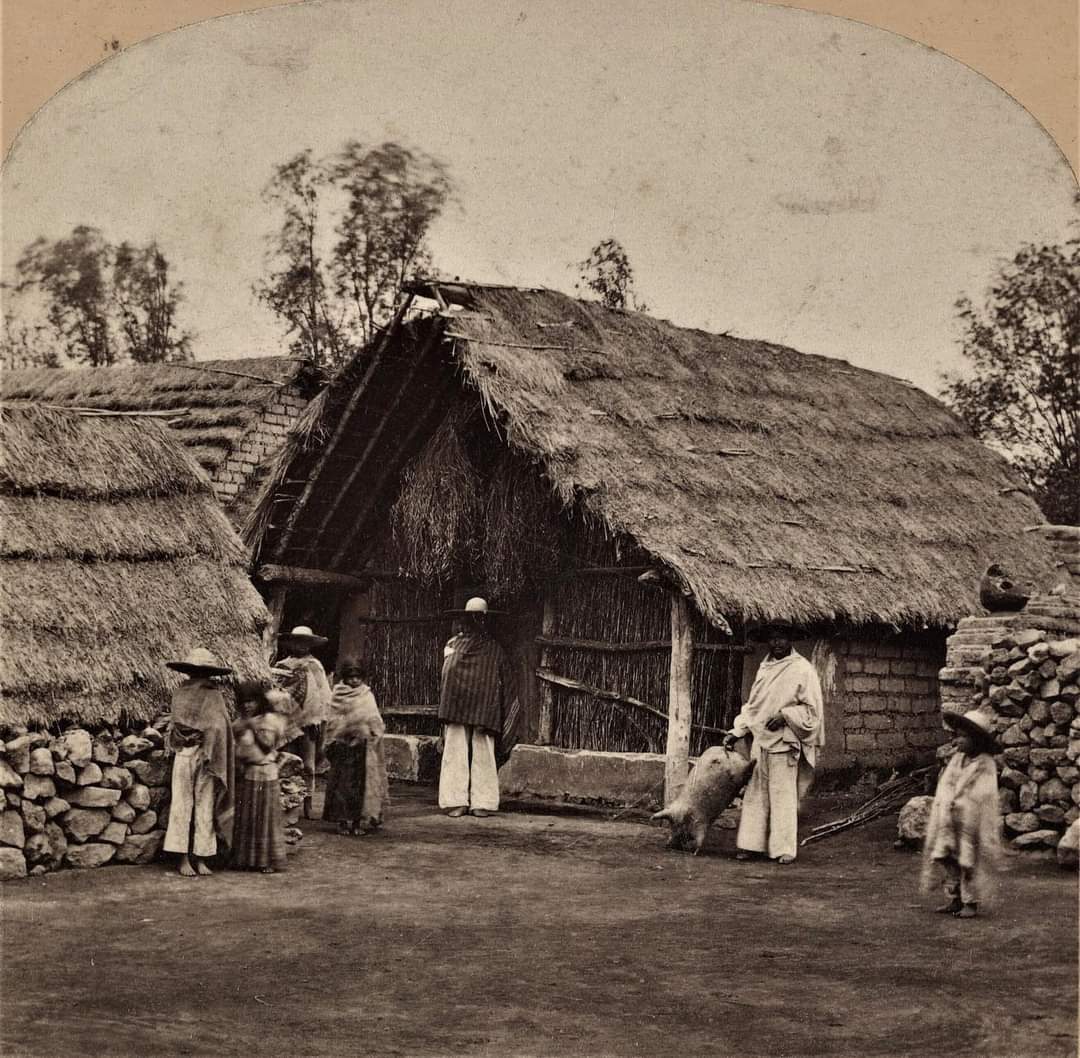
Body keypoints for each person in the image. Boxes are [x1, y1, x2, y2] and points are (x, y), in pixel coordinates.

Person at [722, 623, 824, 864]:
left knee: (783, 795)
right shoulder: (765, 668)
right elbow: (754, 706)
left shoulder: (802, 669)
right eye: (773, 639)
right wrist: (737, 731)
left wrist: (786, 716)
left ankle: (783, 849)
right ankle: (751, 845)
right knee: (755, 794)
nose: (777, 643)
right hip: (761, 741)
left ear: (791, 640)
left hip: (785, 743)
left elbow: (812, 712)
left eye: (782, 638)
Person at [437, 597, 519, 818]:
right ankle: (461, 802)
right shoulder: (453, 645)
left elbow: (504, 680)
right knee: (458, 749)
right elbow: (448, 675)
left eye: (479, 618)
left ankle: (477, 802)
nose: (476, 622)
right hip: (463, 705)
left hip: (480, 707)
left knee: (479, 750)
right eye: (473, 618)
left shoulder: (492, 648)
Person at [921, 709, 1002, 919]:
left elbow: (984, 793)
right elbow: (946, 784)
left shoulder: (985, 764)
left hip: (970, 823)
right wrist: (947, 802)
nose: (958, 741)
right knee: (950, 862)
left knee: (969, 863)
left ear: (977, 740)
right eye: (957, 735)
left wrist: (963, 804)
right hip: (951, 820)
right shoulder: (958, 760)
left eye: (964, 736)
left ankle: (970, 902)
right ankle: (954, 899)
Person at [162, 648, 236, 877]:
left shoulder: (214, 695)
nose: (199, 676)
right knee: (181, 804)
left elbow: (220, 726)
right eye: (196, 671)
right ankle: (182, 858)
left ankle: (202, 857)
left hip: (208, 756)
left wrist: (210, 742)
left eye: (203, 672)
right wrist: (188, 735)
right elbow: (177, 724)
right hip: (185, 752)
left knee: (205, 805)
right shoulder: (180, 693)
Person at [323, 659, 389, 835]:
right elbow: (332, 720)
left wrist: (371, 732)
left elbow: (373, 717)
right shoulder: (338, 694)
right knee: (342, 785)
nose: (354, 681)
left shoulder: (366, 695)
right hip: (343, 748)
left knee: (360, 786)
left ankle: (357, 822)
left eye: (358, 677)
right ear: (344, 678)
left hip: (362, 748)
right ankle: (342, 822)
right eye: (350, 677)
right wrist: (343, 731)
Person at [275, 625, 333, 819]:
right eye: (296, 641)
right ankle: (288, 804)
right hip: (286, 724)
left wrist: (321, 719)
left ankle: (308, 803)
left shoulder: (315, 666)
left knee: (308, 766)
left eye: (304, 642)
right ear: (291, 643)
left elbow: (323, 696)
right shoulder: (282, 666)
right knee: (287, 763)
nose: (300, 646)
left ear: (309, 645)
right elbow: (277, 692)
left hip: (309, 723)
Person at [231, 682, 290, 873]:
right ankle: (248, 859)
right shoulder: (241, 722)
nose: (248, 706)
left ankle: (267, 861)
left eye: (252, 702)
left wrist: (251, 728)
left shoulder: (270, 721)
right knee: (249, 818)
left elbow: (266, 747)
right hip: (249, 773)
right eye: (245, 702)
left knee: (265, 818)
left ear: (260, 702)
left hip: (266, 772)